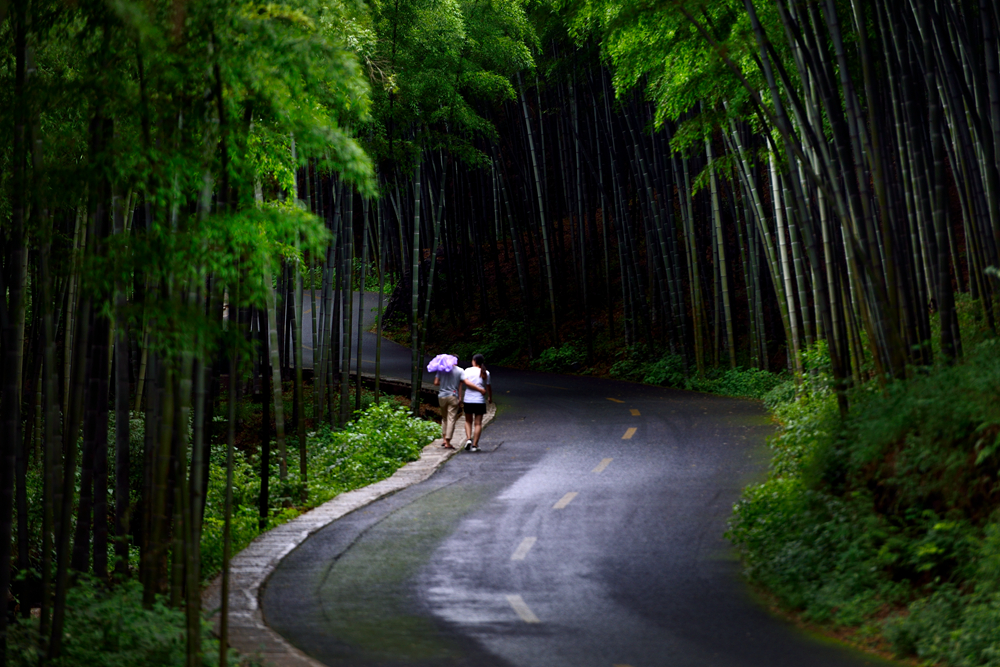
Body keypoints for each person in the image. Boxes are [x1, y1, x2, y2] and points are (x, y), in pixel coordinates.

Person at [461, 353, 492, 452]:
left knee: (468, 421)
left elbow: (466, 382)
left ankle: (468, 438)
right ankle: (475, 445)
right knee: (478, 423)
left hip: (468, 399)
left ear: (473, 361)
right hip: (479, 400)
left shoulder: (467, 370)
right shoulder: (486, 372)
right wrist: (490, 397)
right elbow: (488, 387)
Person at [431, 355, 464, 449]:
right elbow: (460, 384)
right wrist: (460, 397)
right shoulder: (460, 370)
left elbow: (436, 382)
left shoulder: (441, 370)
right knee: (451, 418)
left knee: (444, 418)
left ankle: (444, 439)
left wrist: (444, 383)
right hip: (453, 396)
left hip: (442, 396)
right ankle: (448, 442)